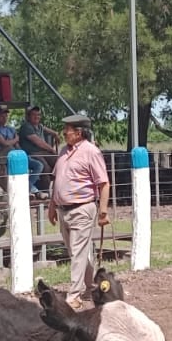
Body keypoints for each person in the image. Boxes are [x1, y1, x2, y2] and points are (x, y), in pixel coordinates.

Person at [46, 112, 110, 307]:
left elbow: (103, 183)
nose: (64, 133)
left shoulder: (91, 152)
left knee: (77, 251)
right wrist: (52, 205)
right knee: (77, 252)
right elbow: (57, 180)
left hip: (82, 208)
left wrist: (103, 212)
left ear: (79, 132)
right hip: (64, 209)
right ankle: (91, 287)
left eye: (68, 130)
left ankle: (73, 296)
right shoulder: (64, 151)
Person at [17, 105, 56, 190]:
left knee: (59, 162)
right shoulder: (26, 126)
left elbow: (47, 130)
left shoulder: (39, 126)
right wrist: (51, 149)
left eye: (38, 115)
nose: (37, 117)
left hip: (42, 153)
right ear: (28, 116)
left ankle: (57, 188)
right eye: (34, 115)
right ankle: (44, 191)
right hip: (31, 154)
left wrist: (55, 134)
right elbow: (39, 142)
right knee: (45, 168)